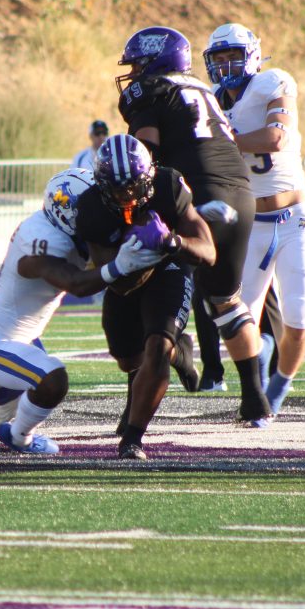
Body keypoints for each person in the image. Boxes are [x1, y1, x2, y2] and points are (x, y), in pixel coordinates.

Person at [0, 168, 164, 451]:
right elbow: (75, 284)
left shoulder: (60, 229)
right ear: (68, 210)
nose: (102, 208)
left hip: (6, 330)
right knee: (52, 380)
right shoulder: (42, 239)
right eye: (94, 203)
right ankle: (19, 436)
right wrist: (120, 265)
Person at [115, 26, 271, 428]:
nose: (133, 73)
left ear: (154, 62)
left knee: (140, 283)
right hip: (241, 194)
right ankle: (255, 401)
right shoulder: (202, 90)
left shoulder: (150, 90)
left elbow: (144, 153)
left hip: (193, 193)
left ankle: (136, 408)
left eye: (137, 64)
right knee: (227, 300)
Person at [75, 134, 234, 460]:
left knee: (156, 350)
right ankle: (179, 352)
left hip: (169, 270)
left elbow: (208, 252)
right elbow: (111, 279)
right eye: (119, 189)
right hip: (125, 280)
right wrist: (125, 261)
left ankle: (133, 439)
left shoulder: (168, 185)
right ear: (103, 185)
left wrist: (172, 243)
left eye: (135, 185)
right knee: (128, 360)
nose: (129, 195)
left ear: (149, 175)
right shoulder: (91, 207)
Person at [204, 23, 305, 419]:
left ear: (252, 55)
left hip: (294, 220)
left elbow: (276, 138)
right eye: (218, 59)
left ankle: (279, 386)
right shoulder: (211, 102)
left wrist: (223, 140)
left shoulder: (273, 81)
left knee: (298, 322)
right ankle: (255, 392)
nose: (225, 65)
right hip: (250, 221)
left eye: (232, 55)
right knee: (235, 317)